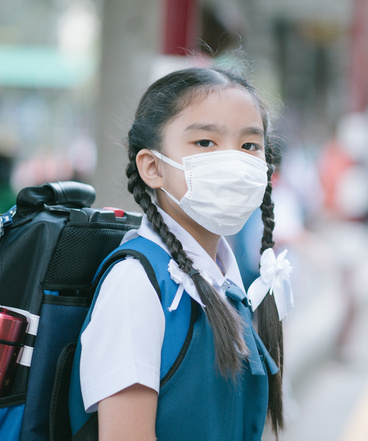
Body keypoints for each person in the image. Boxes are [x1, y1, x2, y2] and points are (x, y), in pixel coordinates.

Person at [68, 67, 289, 440]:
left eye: (250, 145)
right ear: (152, 167)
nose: (233, 162)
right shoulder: (136, 287)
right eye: (205, 142)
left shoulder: (228, 286)